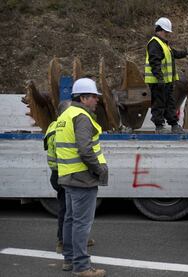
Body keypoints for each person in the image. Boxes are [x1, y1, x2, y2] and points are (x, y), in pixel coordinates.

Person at [55, 78, 108, 277]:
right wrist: (99, 170)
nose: (97, 100)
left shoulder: (66, 115)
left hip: (68, 175)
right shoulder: (82, 117)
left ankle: (69, 260)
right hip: (82, 178)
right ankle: (82, 267)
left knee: (70, 220)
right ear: (84, 97)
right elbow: (85, 150)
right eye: (94, 97)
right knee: (81, 223)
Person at [44, 101, 96, 254]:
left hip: (59, 172)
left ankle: (76, 240)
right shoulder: (64, 127)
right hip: (64, 172)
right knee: (68, 211)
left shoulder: (54, 126)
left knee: (71, 212)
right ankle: (62, 242)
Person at [144, 17, 188, 134]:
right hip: (157, 82)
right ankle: (159, 127)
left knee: (170, 104)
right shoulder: (154, 44)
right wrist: (159, 78)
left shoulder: (163, 44)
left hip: (166, 81)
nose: (167, 34)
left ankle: (174, 125)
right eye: (166, 32)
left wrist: (186, 52)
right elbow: (154, 62)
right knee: (159, 104)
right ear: (160, 30)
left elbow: (174, 53)